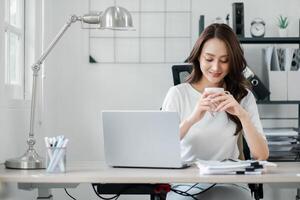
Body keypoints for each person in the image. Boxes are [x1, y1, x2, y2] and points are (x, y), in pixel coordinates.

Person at [162, 23, 269, 200]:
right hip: (185, 185)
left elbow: (261, 155)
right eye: (209, 59)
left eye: (224, 60)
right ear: (198, 57)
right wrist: (192, 119)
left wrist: (241, 114)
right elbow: (161, 148)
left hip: (230, 183)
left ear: (233, 61)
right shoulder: (178, 94)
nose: (216, 67)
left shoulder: (244, 96)